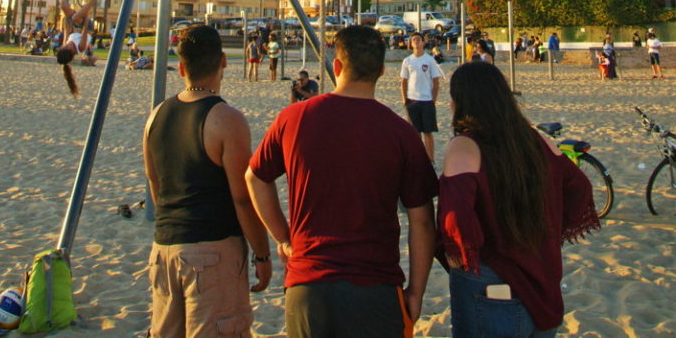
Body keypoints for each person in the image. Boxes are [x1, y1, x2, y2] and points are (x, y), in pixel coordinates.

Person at [246, 25, 437, 338]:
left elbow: (254, 179)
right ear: (381, 71)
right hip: (376, 286)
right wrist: (416, 291)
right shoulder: (400, 132)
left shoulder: (293, 118)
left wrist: (283, 237)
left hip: (308, 284)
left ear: (336, 67)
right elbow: (422, 221)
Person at [436, 61, 600, 338]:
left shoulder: (466, 145)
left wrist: (459, 257)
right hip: (542, 275)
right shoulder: (535, 139)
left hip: (492, 280)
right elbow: (580, 188)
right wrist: (551, 230)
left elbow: (456, 218)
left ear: (461, 101)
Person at [143, 25, 271, 338]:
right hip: (212, 250)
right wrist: (262, 253)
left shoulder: (156, 115)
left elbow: (155, 182)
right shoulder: (226, 118)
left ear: (182, 67)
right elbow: (242, 197)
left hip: (164, 248)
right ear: (223, 61)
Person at [400, 31, 445, 164]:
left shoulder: (429, 60)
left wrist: (433, 100)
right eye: (413, 39)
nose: (416, 41)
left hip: (427, 101)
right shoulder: (407, 61)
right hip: (412, 100)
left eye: (418, 39)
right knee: (415, 133)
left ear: (423, 42)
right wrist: (404, 99)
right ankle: (419, 159)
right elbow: (403, 81)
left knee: (428, 132)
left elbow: (436, 82)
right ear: (410, 43)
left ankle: (431, 159)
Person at [56, 0, 98, 96]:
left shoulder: (66, 45)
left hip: (76, 24)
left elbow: (66, 31)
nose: (66, 45)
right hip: (87, 26)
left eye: (63, 47)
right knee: (75, 18)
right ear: (71, 51)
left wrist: (65, 19)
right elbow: (85, 30)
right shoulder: (81, 47)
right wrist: (86, 16)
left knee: (64, 7)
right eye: (67, 47)